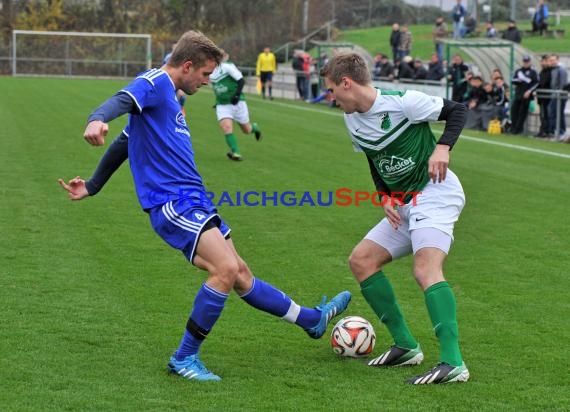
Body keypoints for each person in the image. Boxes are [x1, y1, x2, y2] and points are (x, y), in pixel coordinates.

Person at [58, 30, 351, 381]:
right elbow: (119, 101)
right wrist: (96, 118)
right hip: (171, 202)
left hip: (194, 199)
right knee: (225, 270)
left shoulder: (170, 98)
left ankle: (311, 320)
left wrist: (92, 185)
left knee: (241, 274)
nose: (207, 81)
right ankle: (184, 358)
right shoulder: (154, 82)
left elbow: (125, 141)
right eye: (206, 74)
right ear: (187, 65)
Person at [320, 52, 470, 385]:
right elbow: (374, 161)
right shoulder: (351, 118)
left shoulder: (403, 103)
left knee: (425, 268)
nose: (330, 97)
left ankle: (453, 362)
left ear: (347, 83)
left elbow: (458, 110)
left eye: (331, 90)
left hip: (435, 192)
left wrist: (443, 147)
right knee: (361, 261)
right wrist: (384, 196)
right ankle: (406, 345)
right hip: (403, 203)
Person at [210, 51, 262, 161]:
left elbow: (241, 81)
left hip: (237, 102)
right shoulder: (209, 71)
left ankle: (255, 128)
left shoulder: (227, 67)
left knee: (246, 130)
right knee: (226, 127)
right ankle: (236, 152)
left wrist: (237, 96)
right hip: (223, 105)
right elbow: (217, 87)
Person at [510, 55, 539, 135]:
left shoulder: (533, 72)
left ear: (530, 62)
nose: (526, 63)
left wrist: (529, 91)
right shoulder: (519, 71)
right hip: (518, 93)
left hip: (527, 95)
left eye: (527, 61)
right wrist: (518, 80)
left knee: (522, 113)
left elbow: (536, 83)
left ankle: (518, 130)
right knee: (514, 111)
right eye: (524, 61)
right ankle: (513, 128)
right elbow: (513, 80)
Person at [547, 54, 568, 140]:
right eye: (550, 60)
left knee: (558, 113)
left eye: (553, 60)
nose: (552, 62)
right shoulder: (553, 70)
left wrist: (559, 93)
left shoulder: (561, 70)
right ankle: (558, 131)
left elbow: (563, 84)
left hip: (560, 96)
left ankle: (561, 132)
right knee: (554, 113)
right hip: (554, 95)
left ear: (557, 60)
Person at [163, 42, 187, 115]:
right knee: (170, 97)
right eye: (174, 47)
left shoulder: (183, 57)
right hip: (169, 80)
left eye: (176, 46)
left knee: (181, 96)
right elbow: (163, 67)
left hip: (178, 80)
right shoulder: (168, 57)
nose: (175, 48)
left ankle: (180, 108)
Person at [535, 54, 552, 137]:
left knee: (546, 115)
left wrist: (536, 86)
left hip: (547, 97)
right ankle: (542, 130)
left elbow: (543, 83)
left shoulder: (549, 72)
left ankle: (546, 131)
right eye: (542, 61)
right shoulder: (542, 72)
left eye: (544, 61)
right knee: (542, 115)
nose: (542, 63)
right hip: (541, 97)